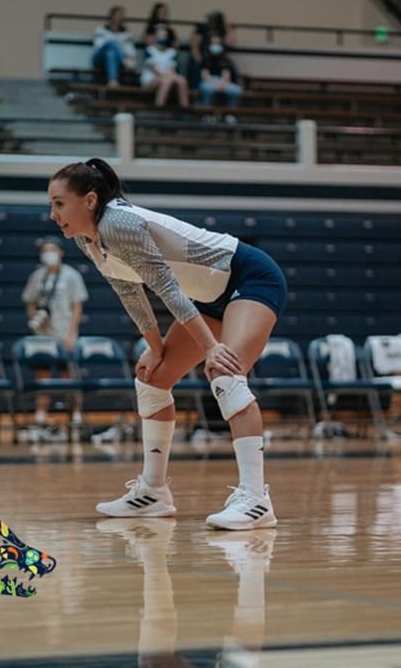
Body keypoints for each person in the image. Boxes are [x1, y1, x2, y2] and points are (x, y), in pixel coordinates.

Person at [47, 158, 287, 530]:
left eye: (59, 203)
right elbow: (129, 292)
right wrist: (156, 348)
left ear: (90, 200)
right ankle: (153, 493)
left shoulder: (119, 222)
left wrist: (211, 348)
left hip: (248, 277)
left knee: (225, 372)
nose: (52, 213)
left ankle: (256, 499)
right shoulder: (86, 238)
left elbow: (168, 289)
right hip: (206, 297)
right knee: (152, 378)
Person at [21, 237, 88, 436]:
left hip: (64, 333)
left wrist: (71, 333)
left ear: (60, 252)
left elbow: (77, 306)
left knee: (69, 376)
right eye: (45, 250)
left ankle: (75, 412)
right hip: (43, 336)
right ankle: (41, 413)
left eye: (52, 249)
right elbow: (29, 301)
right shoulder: (37, 276)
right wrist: (35, 318)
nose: (48, 254)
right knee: (42, 376)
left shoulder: (71, 276)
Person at [140, 25, 190, 108]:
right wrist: (168, 76)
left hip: (168, 77)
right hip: (152, 78)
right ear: (155, 36)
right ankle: (159, 107)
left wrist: (171, 76)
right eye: (159, 35)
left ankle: (185, 108)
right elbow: (153, 69)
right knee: (166, 81)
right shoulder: (149, 50)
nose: (162, 38)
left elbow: (172, 69)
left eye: (164, 36)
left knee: (182, 80)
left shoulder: (172, 52)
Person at [188, 10, 238, 88]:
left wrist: (229, 29)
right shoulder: (202, 28)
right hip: (204, 58)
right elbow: (194, 47)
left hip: (219, 59)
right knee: (198, 69)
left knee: (230, 67)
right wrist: (200, 61)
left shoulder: (222, 30)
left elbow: (231, 43)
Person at [199, 34, 242, 122]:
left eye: (218, 43)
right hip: (209, 82)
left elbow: (226, 76)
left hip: (222, 82)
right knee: (208, 89)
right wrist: (215, 85)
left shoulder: (225, 60)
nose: (216, 45)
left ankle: (230, 114)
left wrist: (221, 84)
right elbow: (205, 76)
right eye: (213, 43)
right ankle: (208, 114)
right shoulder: (206, 59)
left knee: (236, 90)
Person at [91, 5, 138, 88]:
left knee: (111, 53)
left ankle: (112, 81)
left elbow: (131, 52)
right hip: (99, 59)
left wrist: (118, 50)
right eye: (117, 15)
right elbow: (99, 46)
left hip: (115, 59)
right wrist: (118, 46)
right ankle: (123, 61)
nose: (118, 18)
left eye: (121, 16)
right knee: (111, 44)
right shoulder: (101, 29)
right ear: (111, 16)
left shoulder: (126, 34)